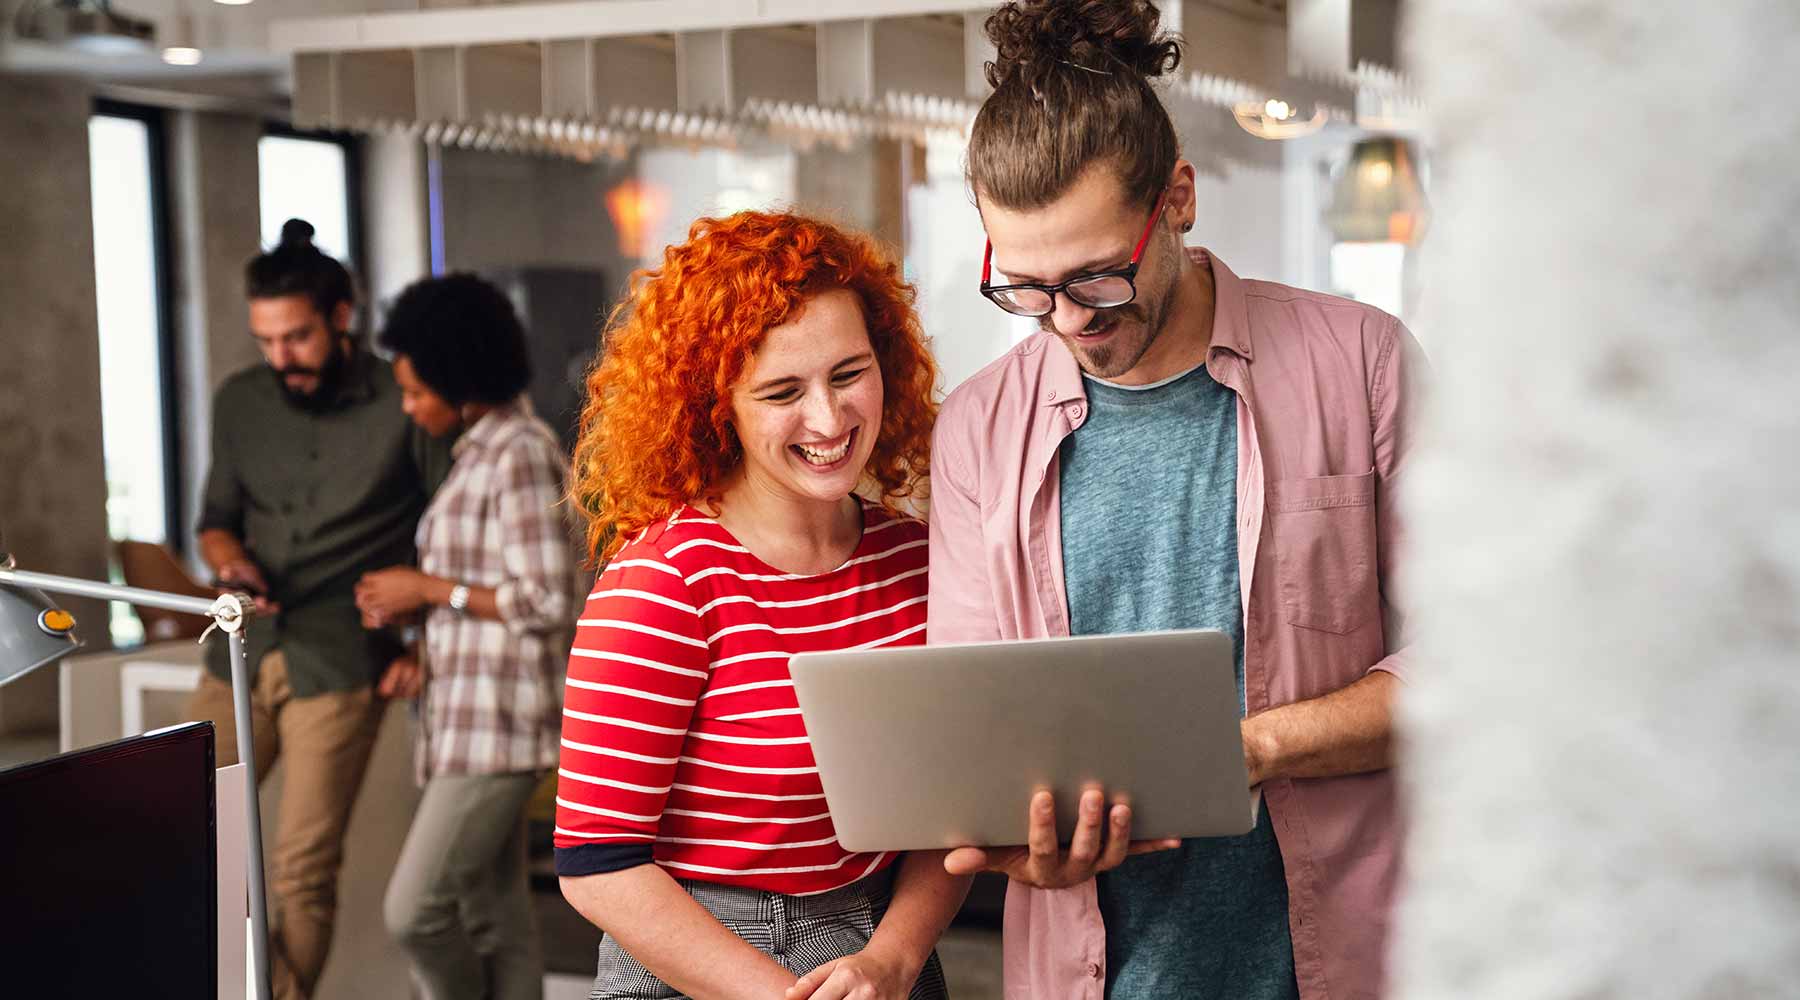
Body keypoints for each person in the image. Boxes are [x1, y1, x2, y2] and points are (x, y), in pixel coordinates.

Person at [927, 2, 1423, 999]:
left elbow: (1484, 663)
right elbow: (974, 721)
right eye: (1024, 288)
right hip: (1089, 972)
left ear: (1181, 197)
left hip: (1344, 962)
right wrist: (1023, 844)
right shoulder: (979, 427)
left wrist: (1247, 748)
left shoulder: (1362, 362)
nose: (1067, 320)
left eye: (1098, 278)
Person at [553, 211, 966, 1000]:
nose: (828, 418)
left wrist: (893, 959)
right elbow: (597, 865)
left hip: (881, 949)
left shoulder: (916, 561)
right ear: (719, 408)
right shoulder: (667, 582)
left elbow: (953, 811)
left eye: (849, 373)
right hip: (699, 957)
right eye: (782, 392)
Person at [186, 218, 452, 999]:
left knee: (299, 867)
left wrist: (424, 645)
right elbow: (214, 520)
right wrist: (227, 560)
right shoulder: (241, 401)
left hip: (340, 660)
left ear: (341, 318)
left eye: (297, 337)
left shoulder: (405, 404)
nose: (280, 358)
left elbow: (453, 530)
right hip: (235, 646)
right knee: (187, 835)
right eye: (266, 340)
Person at [355, 273, 582, 1000]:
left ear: (459, 380)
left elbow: (548, 597)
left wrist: (426, 589)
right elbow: (490, 593)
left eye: (416, 390)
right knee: (496, 919)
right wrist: (418, 622)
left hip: (500, 733)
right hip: (467, 723)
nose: (408, 405)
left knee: (414, 912)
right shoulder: (481, 453)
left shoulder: (518, 451)